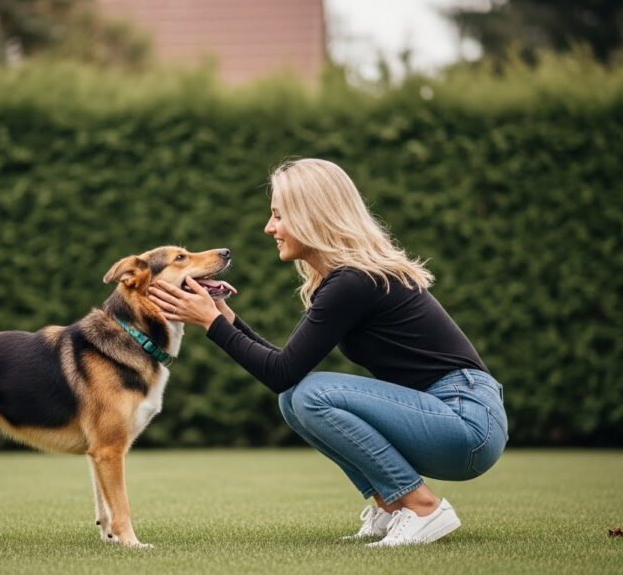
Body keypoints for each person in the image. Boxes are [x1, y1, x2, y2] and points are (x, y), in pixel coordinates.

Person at [148, 158, 508, 547]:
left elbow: (280, 372)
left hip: (467, 421)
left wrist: (212, 323)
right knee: (293, 398)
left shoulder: (354, 281)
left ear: (311, 216)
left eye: (278, 216)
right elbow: (285, 369)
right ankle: (391, 507)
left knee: (310, 394)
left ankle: (422, 507)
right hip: (450, 416)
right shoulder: (344, 280)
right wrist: (225, 319)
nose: (269, 228)